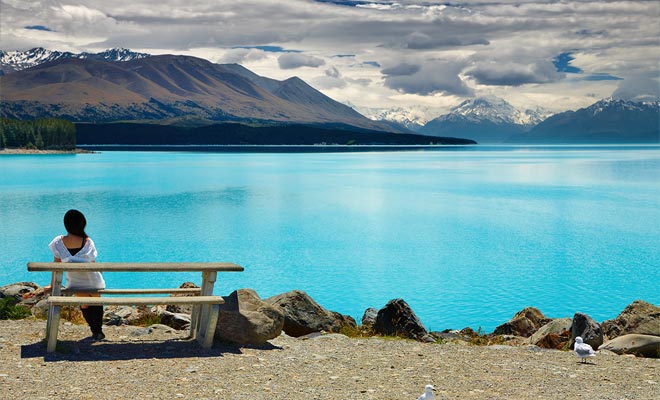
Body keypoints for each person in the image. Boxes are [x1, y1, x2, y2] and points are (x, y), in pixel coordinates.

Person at [24, 209, 106, 340]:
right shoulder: (88, 242)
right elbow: (93, 263)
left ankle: (95, 330)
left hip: (74, 282)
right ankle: (97, 331)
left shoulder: (58, 242)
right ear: (82, 224)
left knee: (85, 303)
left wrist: (52, 285)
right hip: (94, 281)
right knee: (96, 300)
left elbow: (56, 267)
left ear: (66, 224)